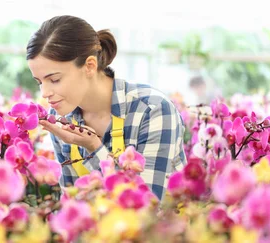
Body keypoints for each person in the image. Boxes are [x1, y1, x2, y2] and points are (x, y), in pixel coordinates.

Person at [27, 15, 186, 200]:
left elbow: (148, 205)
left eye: (54, 79)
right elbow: (72, 201)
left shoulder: (152, 110)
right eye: (39, 82)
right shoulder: (61, 116)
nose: (45, 93)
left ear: (89, 66)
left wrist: (93, 147)